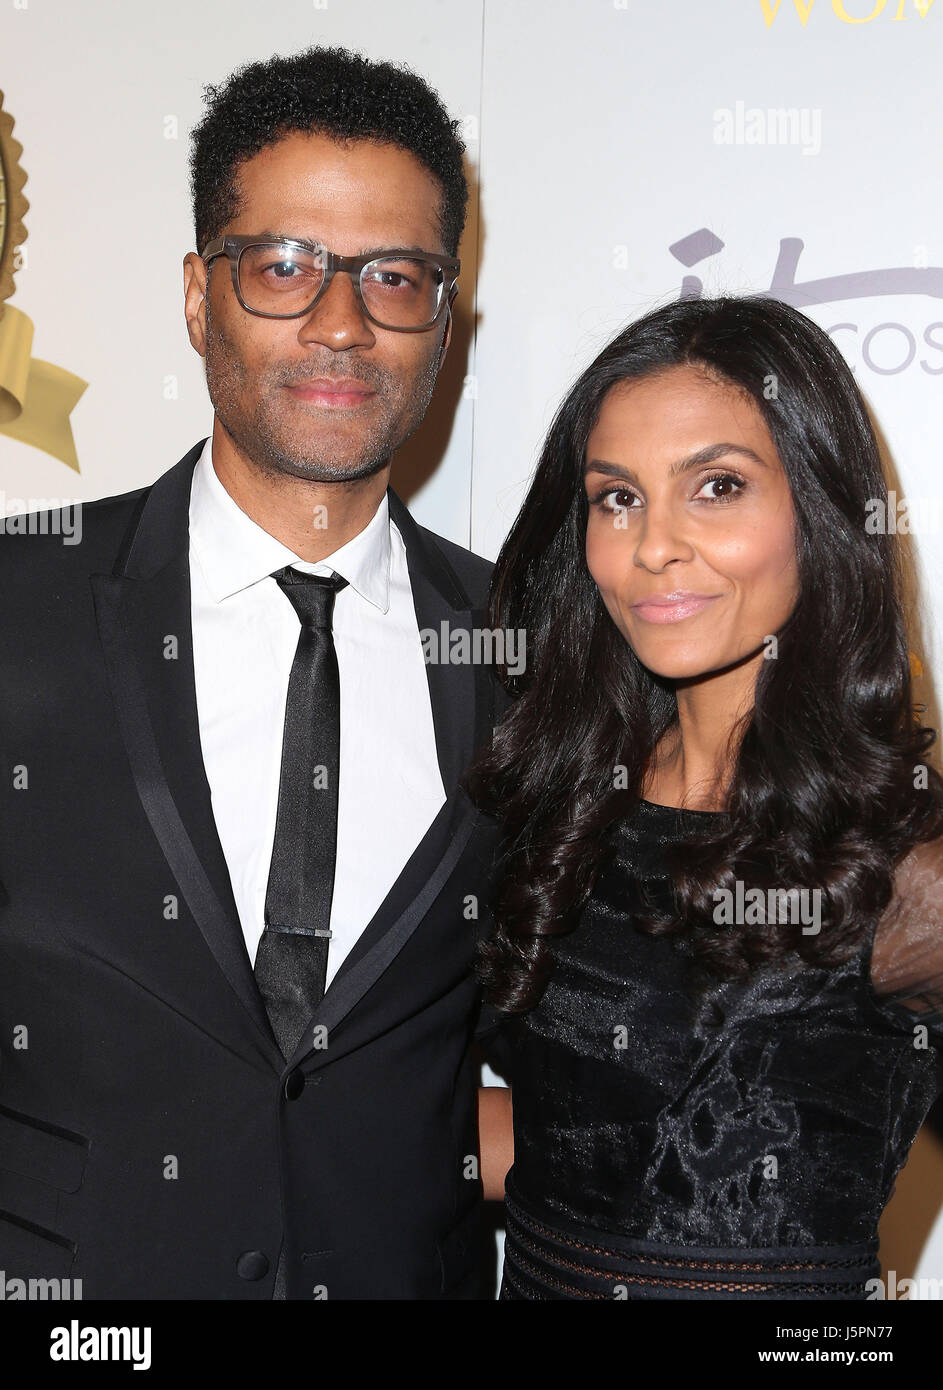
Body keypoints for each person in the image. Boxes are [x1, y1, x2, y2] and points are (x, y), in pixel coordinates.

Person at [0, 45, 509, 1299]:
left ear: (445, 316)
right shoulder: (19, 597)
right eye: (282, 265)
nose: (340, 322)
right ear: (197, 294)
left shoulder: (532, 648)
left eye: (395, 275)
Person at [468, 294, 943, 1299]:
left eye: (716, 487)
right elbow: (574, 1143)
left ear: (818, 510)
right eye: (616, 498)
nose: (652, 547)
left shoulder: (909, 857)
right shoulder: (565, 806)